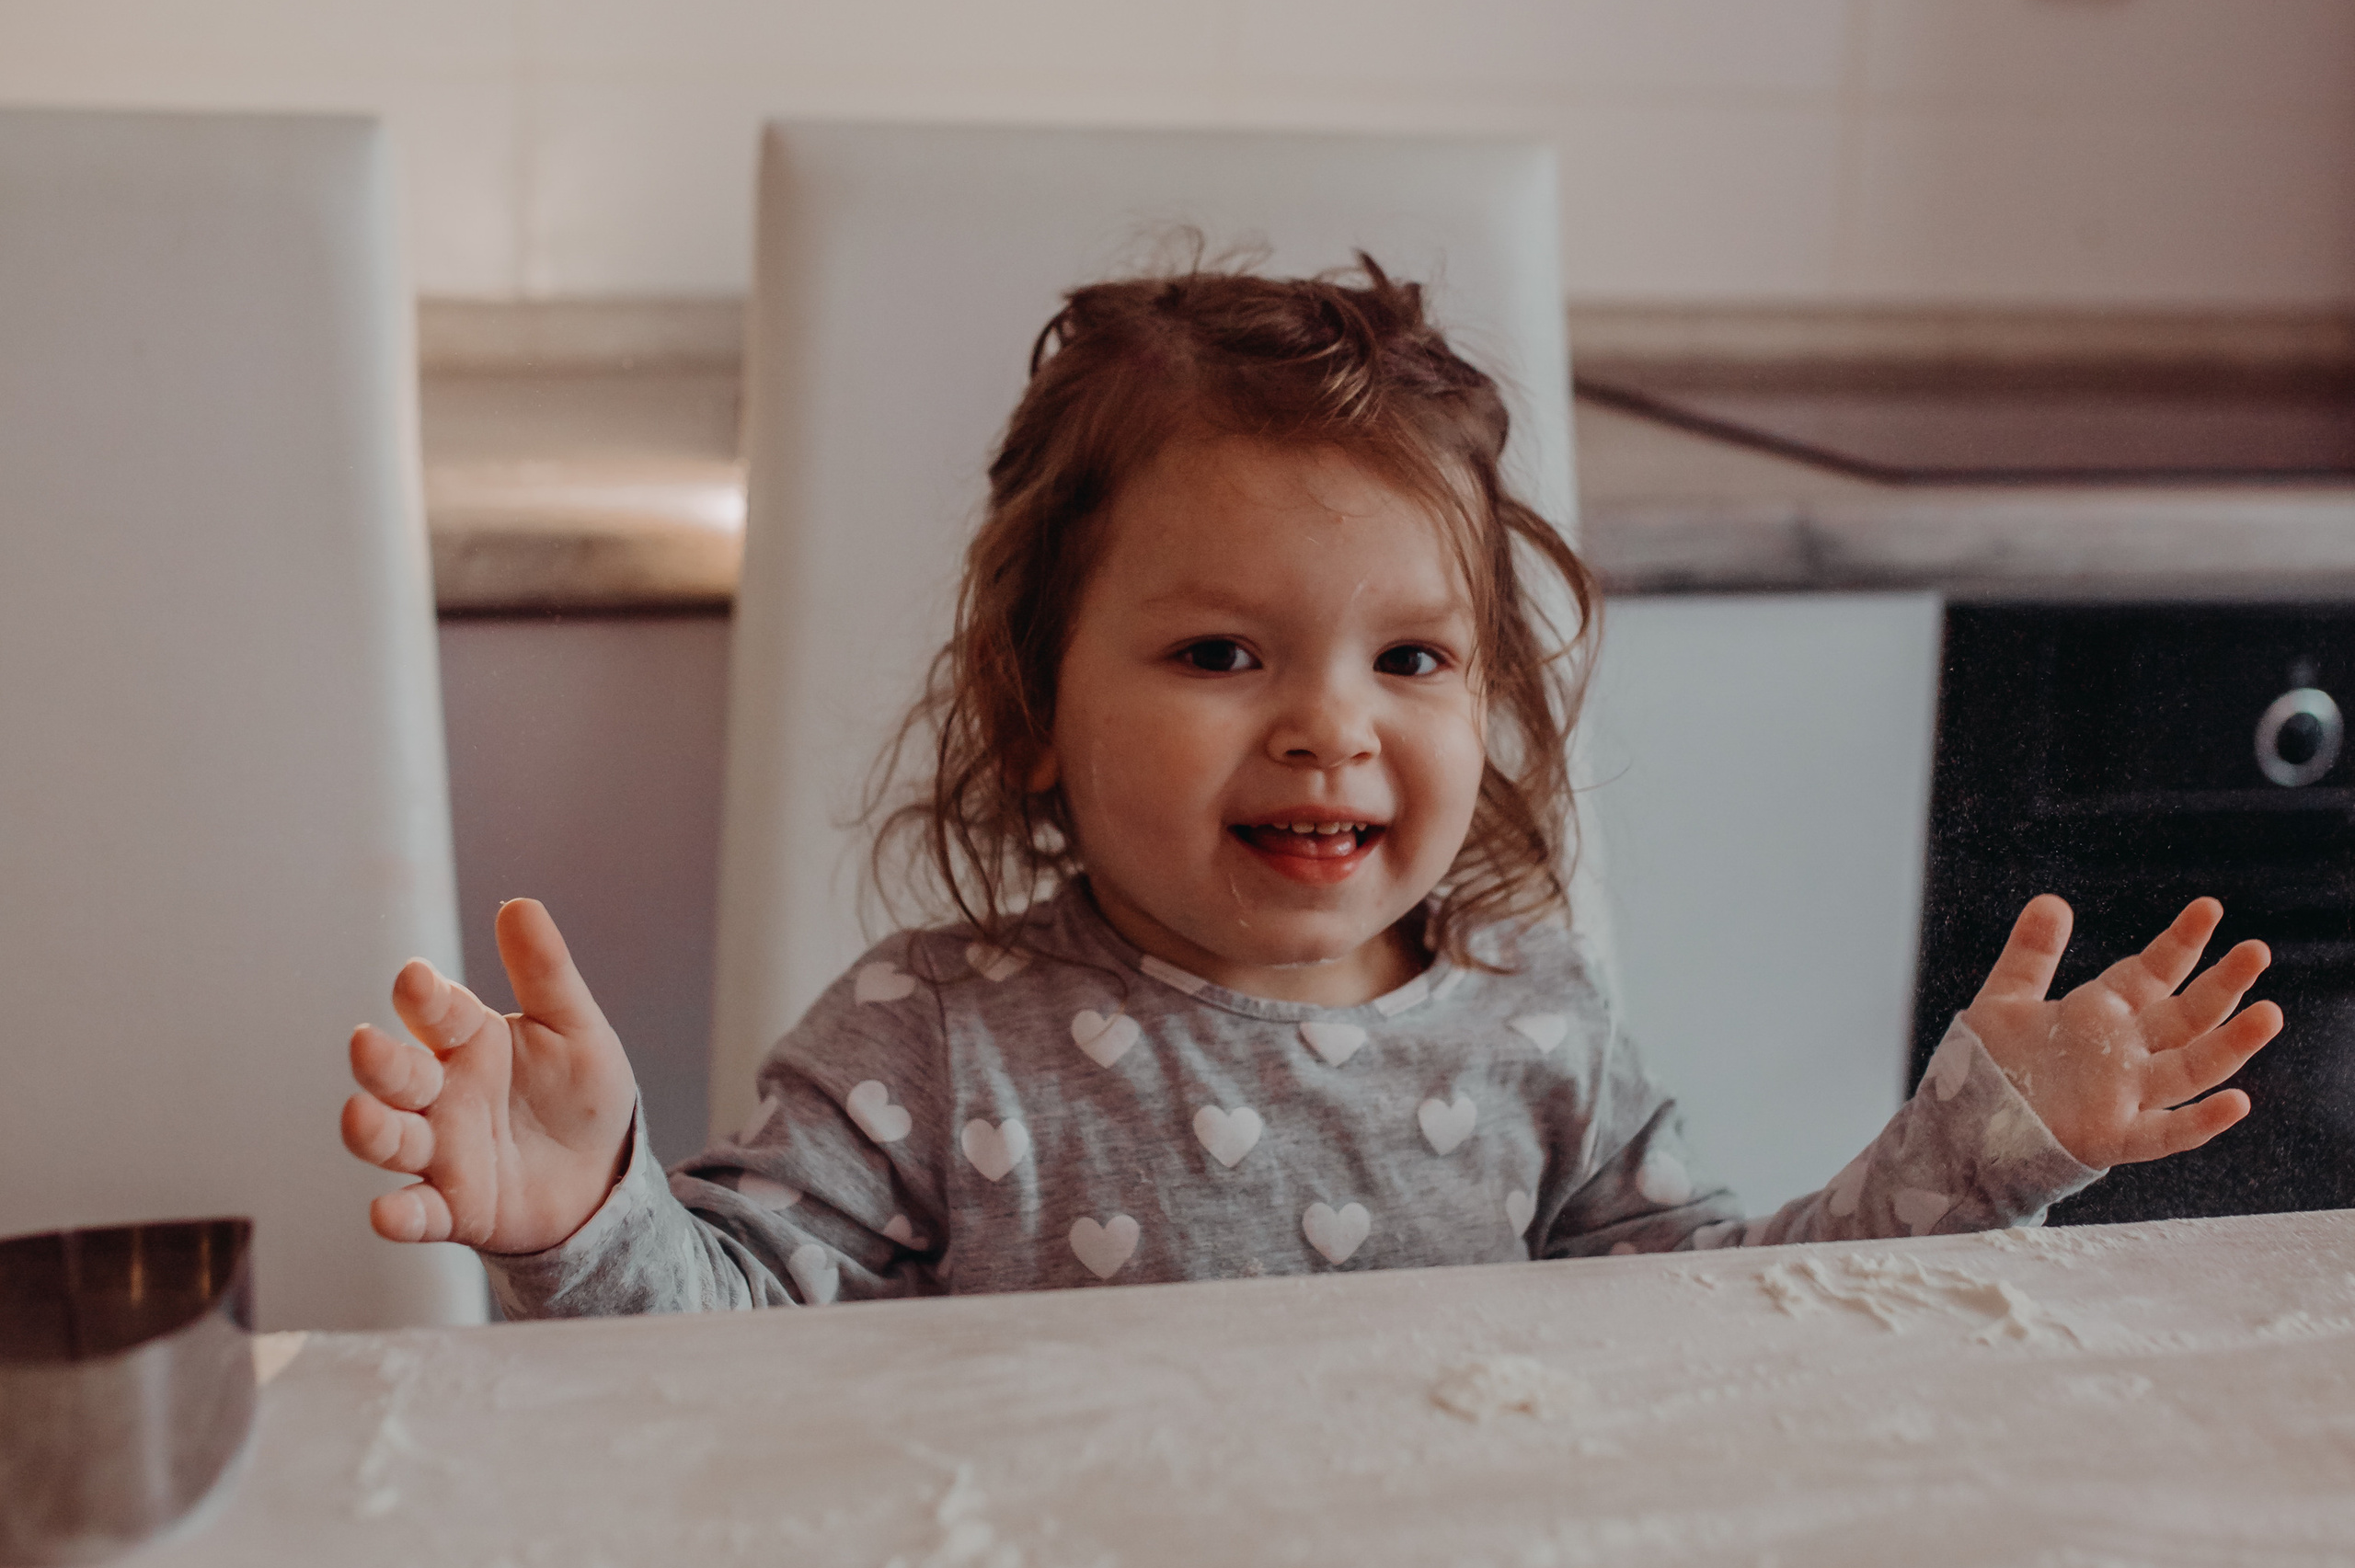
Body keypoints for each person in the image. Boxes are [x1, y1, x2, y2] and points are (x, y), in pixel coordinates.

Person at [341, 261, 2281, 1313]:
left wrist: (1979, 1146)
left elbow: (1716, 1351)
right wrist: (579, 1207)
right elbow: (721, 1359)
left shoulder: (1537, 1036)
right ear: (1030, 702)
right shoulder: (930, 1044)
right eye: (1217, 653)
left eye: (1409, 659)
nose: (1327, 725)